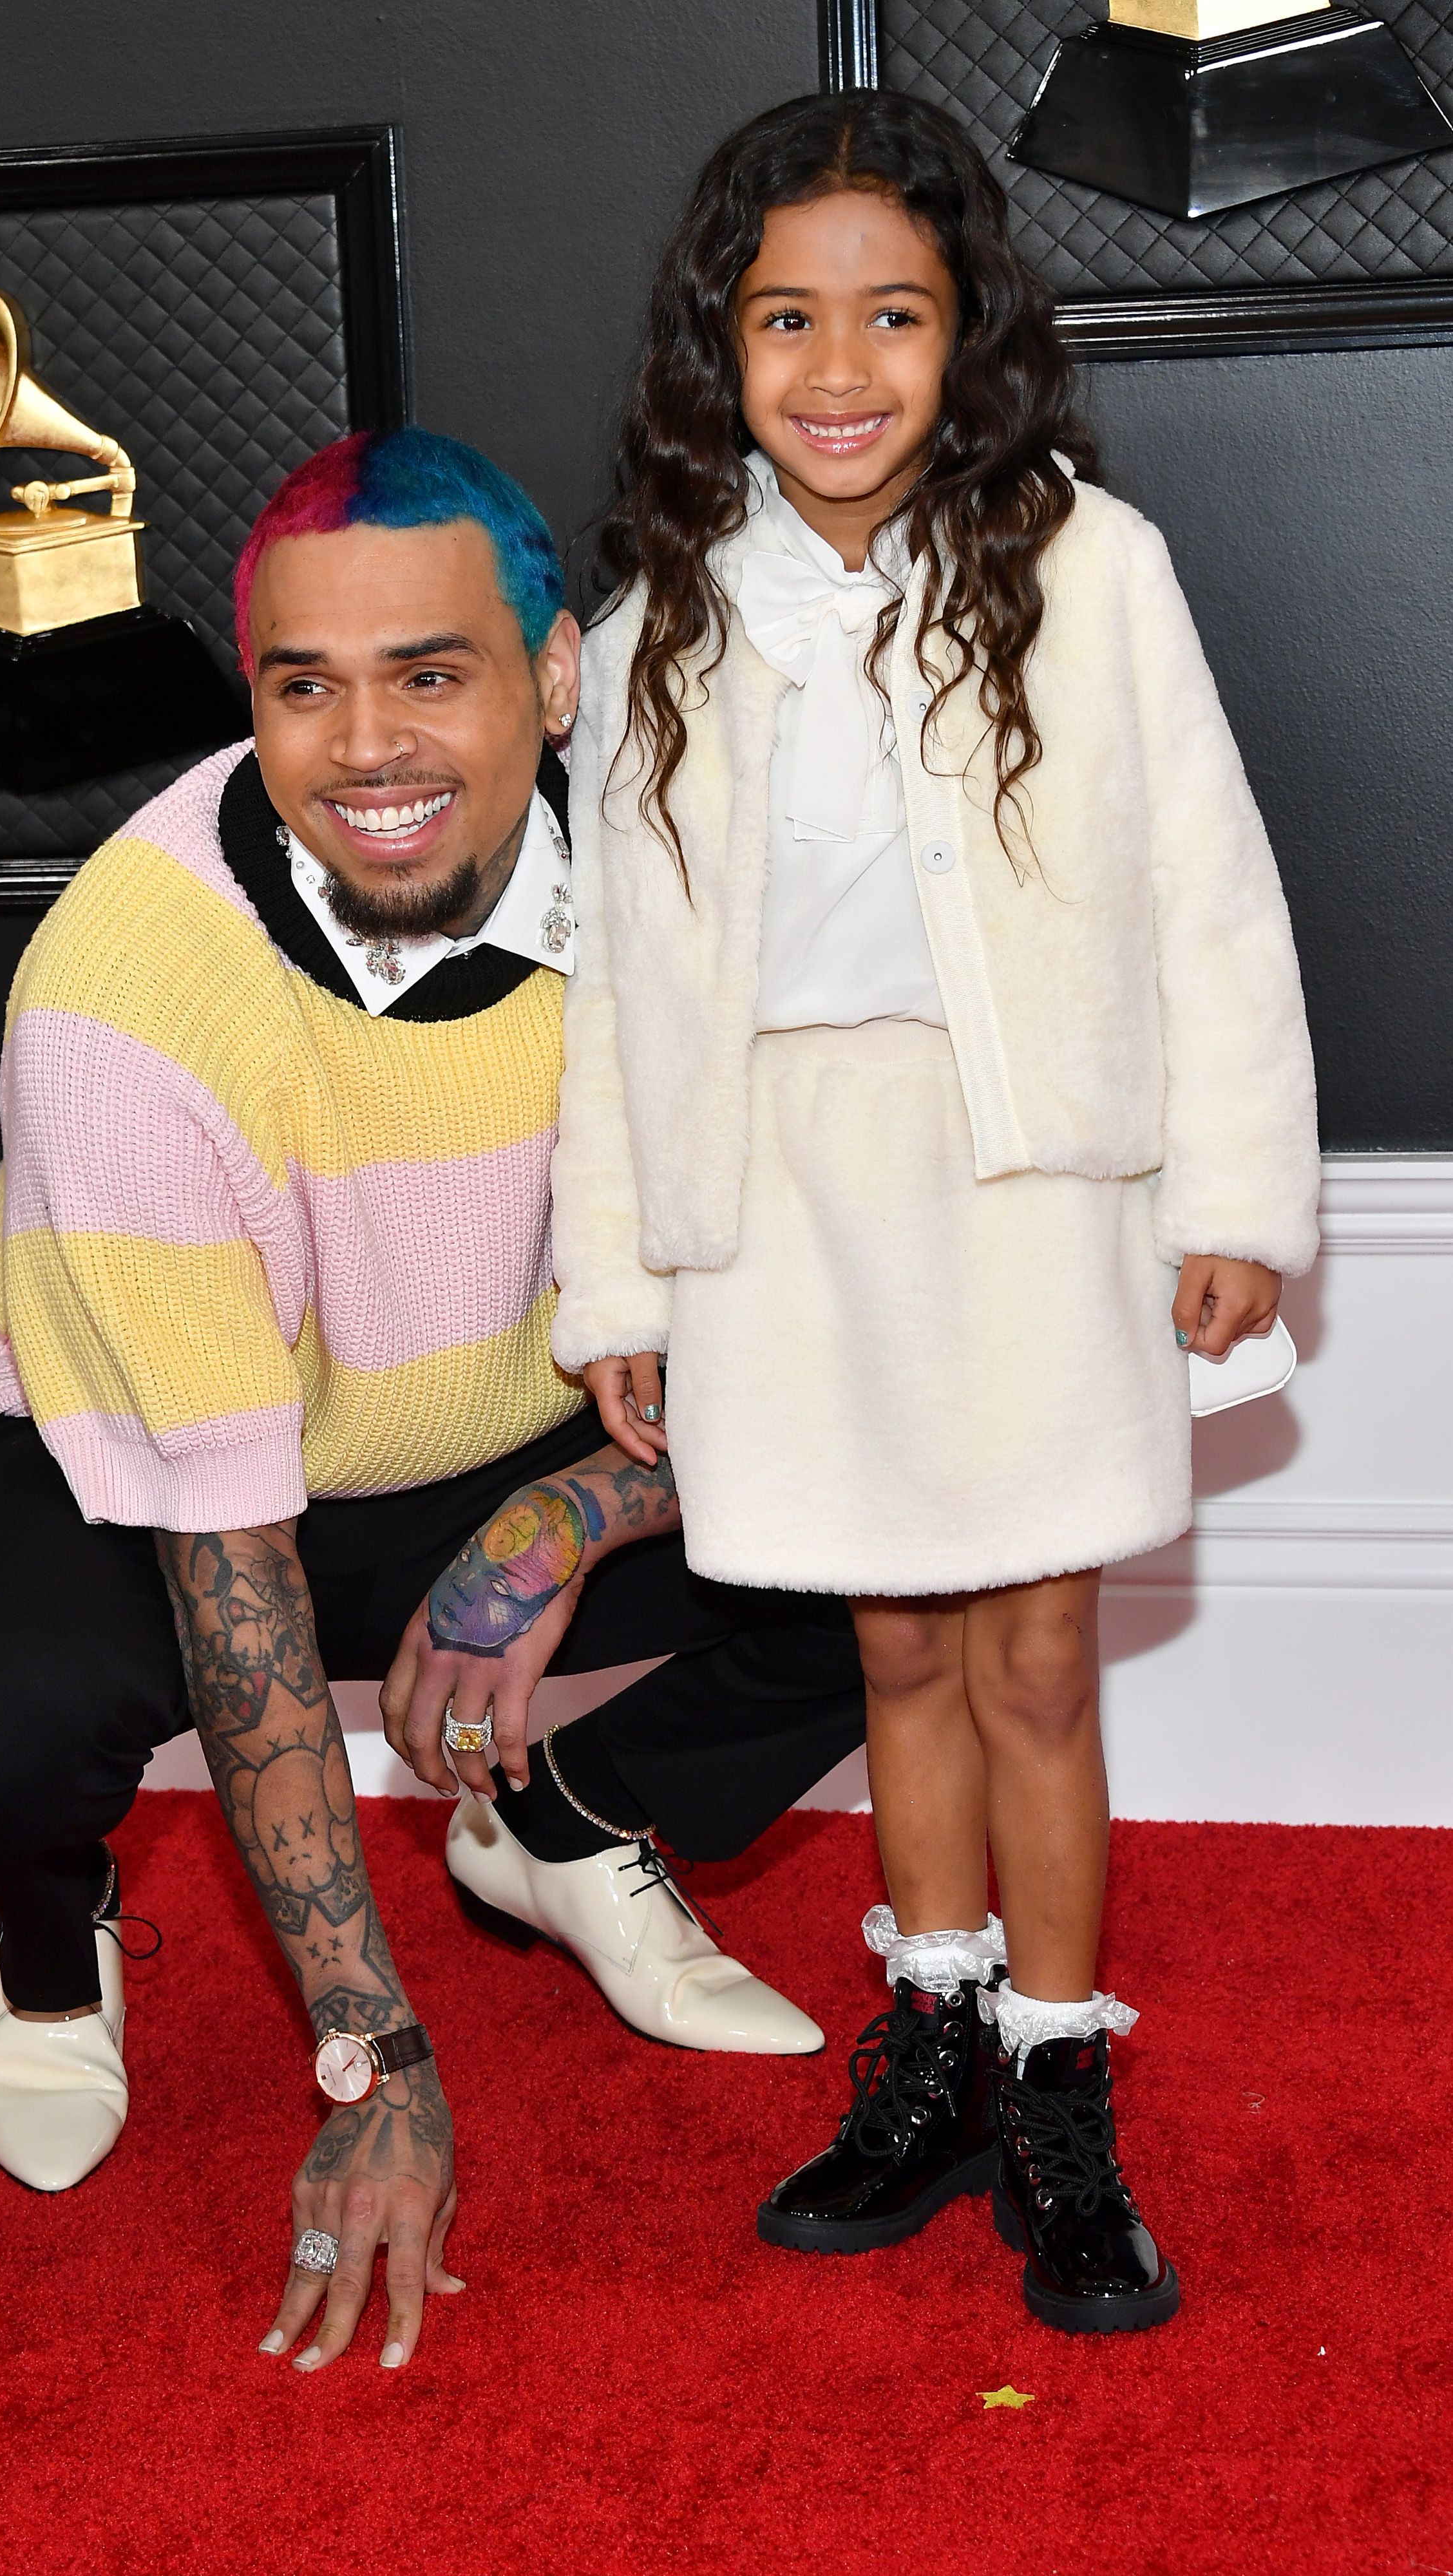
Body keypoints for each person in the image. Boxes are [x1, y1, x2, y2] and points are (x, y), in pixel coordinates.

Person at [0, 426, 872, 2376]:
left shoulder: (690, 888)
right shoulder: (126, 993)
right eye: (302, 687)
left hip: (503, 1429)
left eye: (432, 673)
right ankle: (48, 1930)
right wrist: (373, 2061)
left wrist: (563, 1517)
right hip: (138, 1461)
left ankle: (569, 1825)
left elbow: (827, 1311)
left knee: (936, 1523)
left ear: (553, 678)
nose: (369, 747)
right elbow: (228, 1546)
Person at [549, 91, 1320, 2335]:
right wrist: (621, 1273)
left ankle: (1066, 2095)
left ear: (963, 329)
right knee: (890, 1648)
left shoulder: (1089, 566)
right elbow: (616, 992)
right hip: (782, 1214)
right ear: (722, 344)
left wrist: (1239, 1197)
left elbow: (1212, 896)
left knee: (1040, 1656)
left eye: (891, 312)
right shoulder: (657, 623)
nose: (839, 367)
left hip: (1033, 1195)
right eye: (786, 317)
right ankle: (942, 2057)